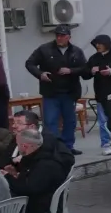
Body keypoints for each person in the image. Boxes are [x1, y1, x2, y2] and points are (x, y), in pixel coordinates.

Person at [24, 24, 87, 154]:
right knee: (50, 121)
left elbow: (84, 68)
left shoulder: (76, 51)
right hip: (51, 92)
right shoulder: (44, 49)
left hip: (70, 93)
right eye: (57, 35)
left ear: (69, 37)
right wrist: (40, 74)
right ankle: (54, 148)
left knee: (70, 121)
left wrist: (71, 70)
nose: (59, 38)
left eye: (62, 36)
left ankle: (68, 147)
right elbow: (30, 63)